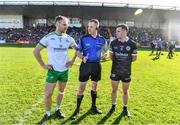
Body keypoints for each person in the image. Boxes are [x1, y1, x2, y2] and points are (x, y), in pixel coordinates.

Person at [33, 15, 77, 123]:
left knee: (61, 91)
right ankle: (47, 113)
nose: (66, 27)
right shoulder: (48, 37)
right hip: (53, 70)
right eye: (64, 24)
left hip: (65, 71)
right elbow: (36, 51)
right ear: (57, 24)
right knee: (48, 94)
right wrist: (43, 65)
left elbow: (78, 49)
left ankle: (58, 109)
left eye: (67, 24)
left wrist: (72, 60)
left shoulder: (69, 38)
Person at [71, 19, 108, 119]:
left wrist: (104, 55)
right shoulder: (84, 38)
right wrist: (82, 57)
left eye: (91, 26)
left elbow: (105, 51)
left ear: (97, 27)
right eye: (88, 26)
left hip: (96, 65)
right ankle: (77, 109)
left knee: (94, 87)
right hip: (86, 65)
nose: (89, 28)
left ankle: (93, 106)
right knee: (82, 87)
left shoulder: (102, 39)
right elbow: (78, 52)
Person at [108, 24, 137, 117]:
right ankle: (113, 106)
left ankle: (125, 108)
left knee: (125, 91)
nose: (116, 33)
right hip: (115, 71)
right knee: (114, 90)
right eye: (116, 31)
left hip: (126, 72)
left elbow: (134, 59)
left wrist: (125, 63)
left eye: (118, 31)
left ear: (125, 31)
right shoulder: (113, 43)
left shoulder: (132, 44)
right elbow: (111, 57)